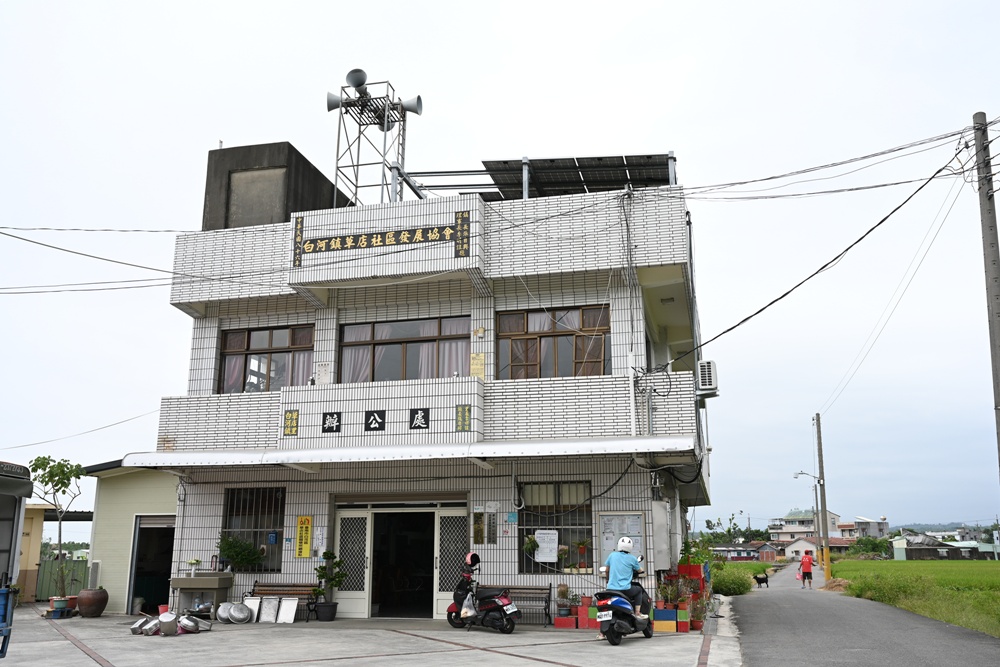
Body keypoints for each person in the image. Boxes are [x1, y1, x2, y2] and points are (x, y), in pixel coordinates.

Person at [604, 536, 647, 619]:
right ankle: (637, 613)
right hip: (625, 589)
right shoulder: (632, 559)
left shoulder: (612, 555)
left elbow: (607, 570)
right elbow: (640, 570)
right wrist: (641, 571)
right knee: (639, 590)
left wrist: (607, 580)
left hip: (610, 589)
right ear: (630, 547)